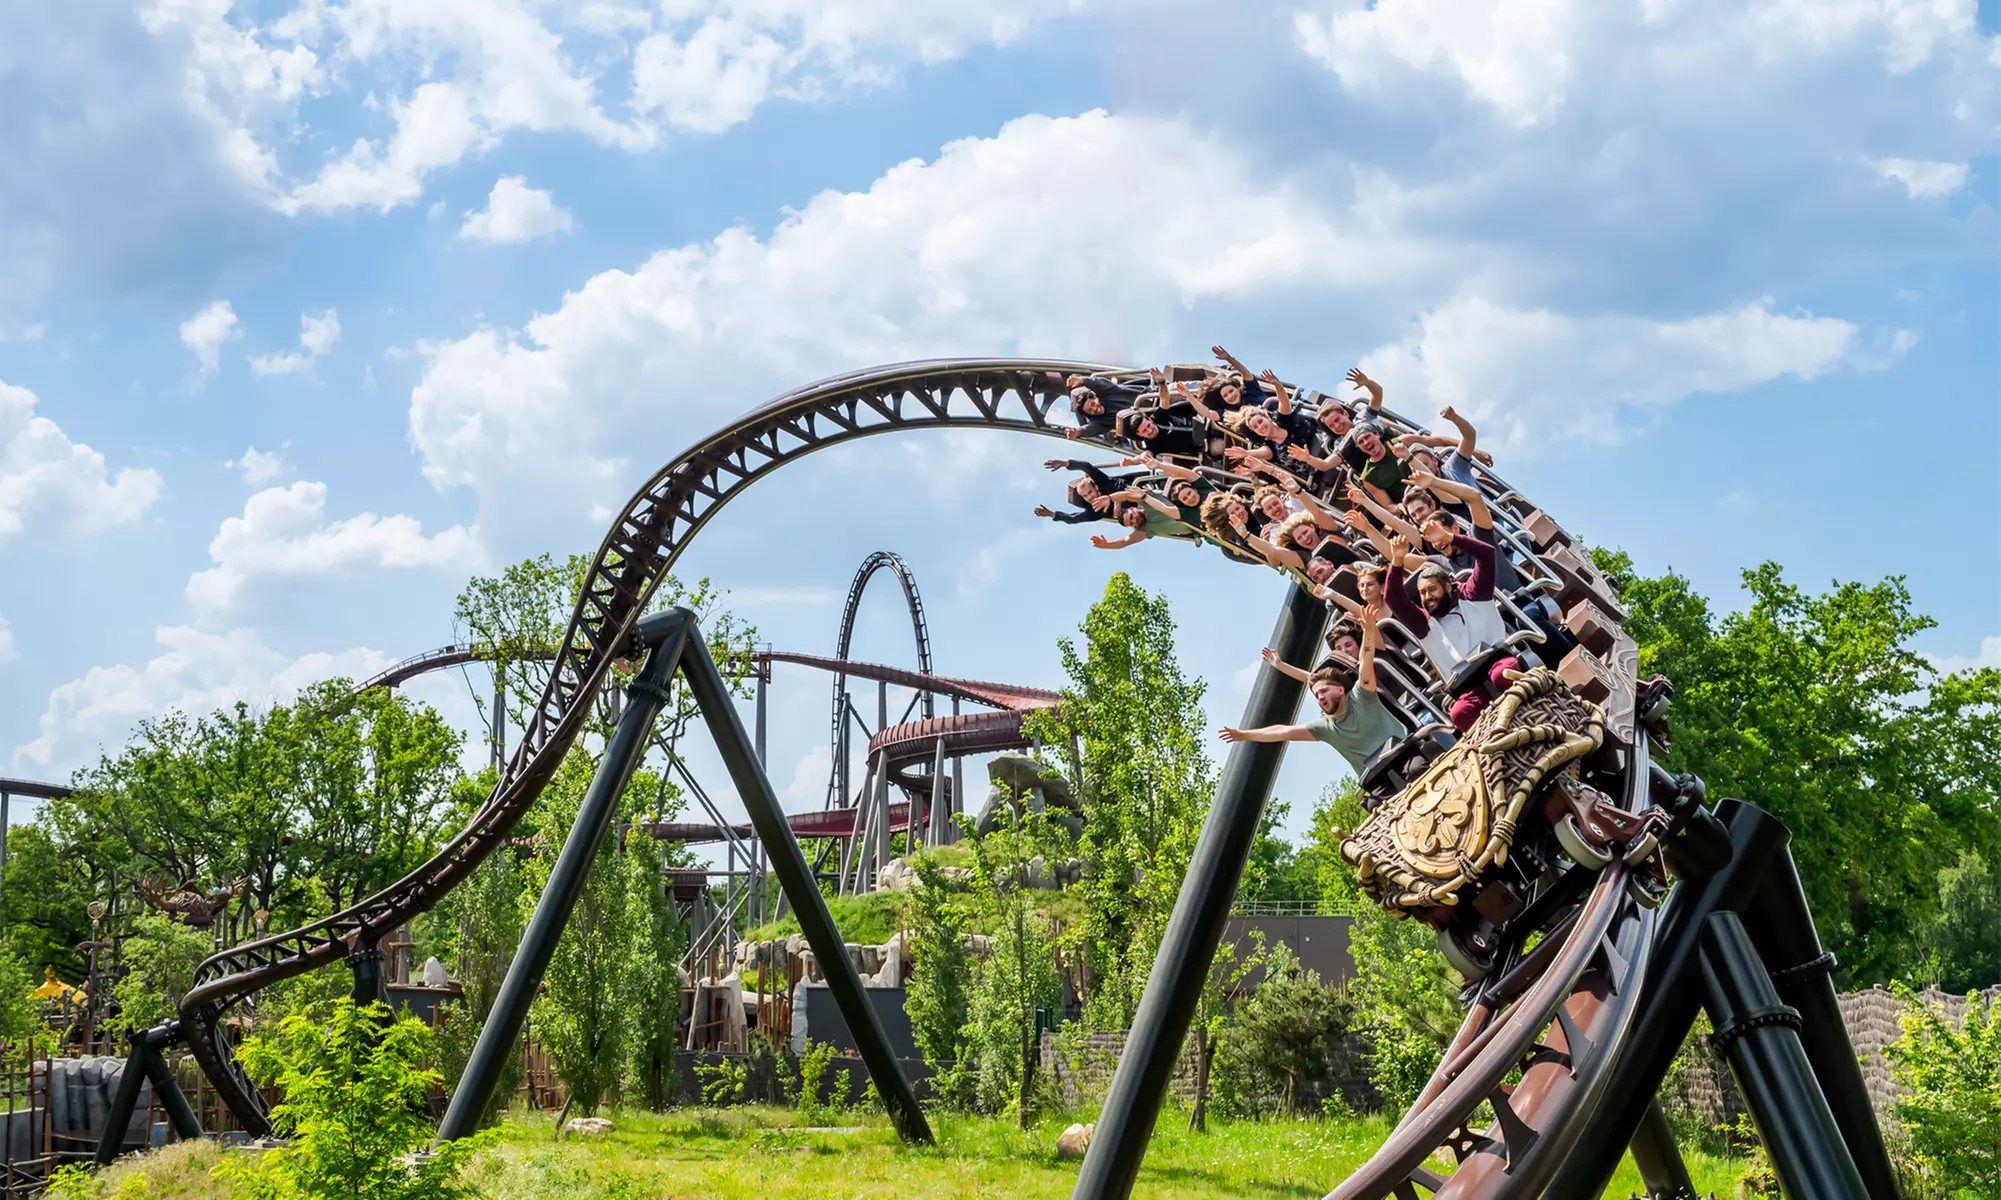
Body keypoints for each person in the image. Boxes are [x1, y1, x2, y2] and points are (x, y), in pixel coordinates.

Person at [1218, 615, 1405, 772]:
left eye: (1323, 692)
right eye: (1316, 695)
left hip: (1401, 747)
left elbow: (1365, 660)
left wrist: (1369, 631)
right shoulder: (1325, 726)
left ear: (1341, 689)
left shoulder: (1360, 693)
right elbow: (1282, 731)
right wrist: (1244, 735)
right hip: (1377, 776)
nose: (1320, 697)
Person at [1381, 532, 1519, 730]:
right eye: (1422, 593)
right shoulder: (1422, 623)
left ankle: (1530, 717)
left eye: (1432, 589)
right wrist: (1397, 560)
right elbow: (1392, 597)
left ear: (1447, 587)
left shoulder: (1472, 594)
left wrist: (1449, 537)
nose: (1427, 597)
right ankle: (1499, 741)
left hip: (1497, 660)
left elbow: (1487, 554)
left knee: (1503, 675)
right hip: (1466, 684)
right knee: (1460, 713)